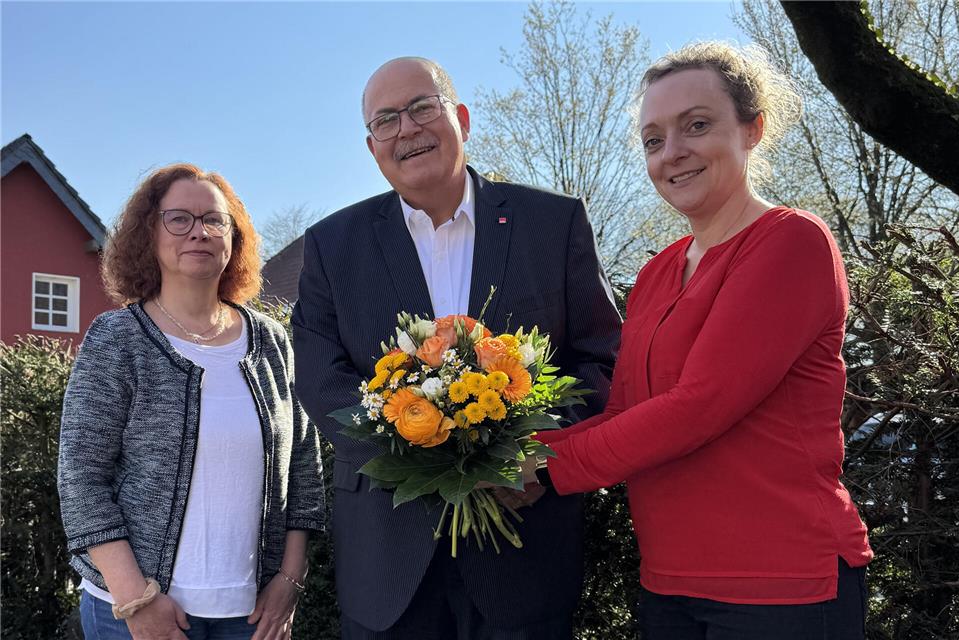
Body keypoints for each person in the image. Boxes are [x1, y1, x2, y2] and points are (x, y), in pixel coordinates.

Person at [523, 41, 873, 639]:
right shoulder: (657, 273)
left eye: (697, 125)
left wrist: (544, 467)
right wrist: (505, 456)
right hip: (670, 583)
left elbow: (699, 406)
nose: (672, 153)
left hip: (782, 584)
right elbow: (626, 412)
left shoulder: (790, 241)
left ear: (752, 129)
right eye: (653, 140)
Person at [292, 57, 621, 639]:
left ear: (461, 119)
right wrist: (412, 444)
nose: (407, 129)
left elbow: (603, 357)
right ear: (372, 147)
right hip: (387, 557)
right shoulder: (331, 245)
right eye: (386, 120)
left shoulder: (554, 223)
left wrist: (534, 453)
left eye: (422, 107)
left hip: (525, 549)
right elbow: (320, 377)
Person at [58, 164, 324, 640]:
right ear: (149, 234)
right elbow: (81, 477)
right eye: (178, 219)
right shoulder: (118, 339)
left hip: (250, 615)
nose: (199, 232)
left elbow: (303, 467)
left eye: (214, 220)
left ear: (233, 238)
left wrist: (290, 581)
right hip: (133, 611)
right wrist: (136, 599)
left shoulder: (272, 342)